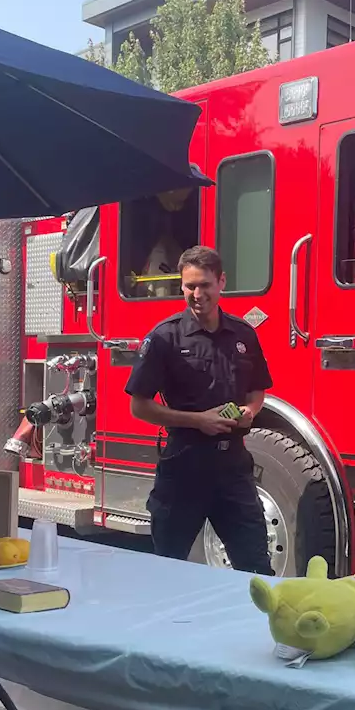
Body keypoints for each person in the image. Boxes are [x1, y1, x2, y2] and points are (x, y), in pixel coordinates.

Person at [126, 246, 274, 574]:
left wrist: (250, 410)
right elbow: (139, 406)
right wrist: (198, 421)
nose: (197, 294)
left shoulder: (243, 334)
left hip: (233, 469)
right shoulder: (164, 338)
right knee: (169, 569)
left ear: (221, 282)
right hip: (183, 468)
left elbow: (257, 390)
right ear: (181, 286)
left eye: (205, 285)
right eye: (190, 286)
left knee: (256, 570)